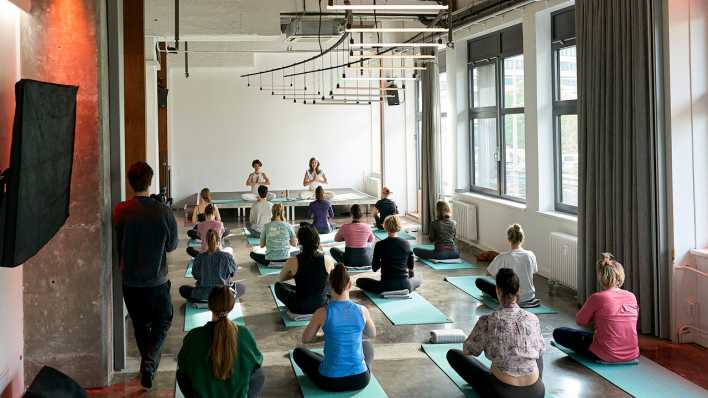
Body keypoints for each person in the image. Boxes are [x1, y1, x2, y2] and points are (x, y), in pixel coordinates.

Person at [113, 161, 178, 389]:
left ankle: (148, 365)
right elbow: (172, 246)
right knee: (163, 319)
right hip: (156, 280)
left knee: (139, 325)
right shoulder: (163, 211)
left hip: (130, 281)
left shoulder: (121, 210)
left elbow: (117, 243)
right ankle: (149, 363)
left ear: (130, 183)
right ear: (150, 182)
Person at [447, 268, 545, 398]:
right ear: (518, 291)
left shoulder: (488, 320)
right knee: (536, 353)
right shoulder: (532, 318)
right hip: (536, 392)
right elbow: (541, 350)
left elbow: (468, 350)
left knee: (454, 355)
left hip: (502, 393)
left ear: (498, 291)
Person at [293, 264, 376, 392]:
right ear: (349, 285)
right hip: (360, 380)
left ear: (329, 285)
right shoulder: (362, 310)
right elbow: (371, 334)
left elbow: (306, 339)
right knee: (367, 345)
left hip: (331, 382)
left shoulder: (322, 312)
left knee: (299, 352)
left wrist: (326, 336)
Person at [177, 286, 264, 398]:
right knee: (259, 373)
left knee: (181, 374)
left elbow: (182, 366)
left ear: (209, 305)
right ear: (232, 307)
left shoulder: (193, 337)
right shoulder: (245, 334)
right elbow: (257, 362)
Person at [553, 253, 639, 363]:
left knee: (559, 332)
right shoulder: (632, 296)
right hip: (632, 354)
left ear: (601, 277)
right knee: (594, 335)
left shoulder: (598, 298)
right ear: (621, 276)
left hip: (606, 354)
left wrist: (594, 318)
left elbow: (580, 320)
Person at [275, 223, 335, 315]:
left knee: (278, 286)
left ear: (300, 241)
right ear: (317, 239)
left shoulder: (293, 261)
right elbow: (333, 283)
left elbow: (281, 279)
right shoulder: (327, 259)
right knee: (326, 285)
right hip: (322, 305)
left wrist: (294, 274)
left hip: (300, 307)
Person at [475, 224, 540, 308]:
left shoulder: (502, 257)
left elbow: (488, 274)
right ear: (522, 238)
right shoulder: (531, 255)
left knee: (479, 281)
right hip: (529, 297)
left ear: (508, 239)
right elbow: (533, 273)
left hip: (510, 298)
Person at [356, 215, 421, 294]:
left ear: (385, 226)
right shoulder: (406, 243)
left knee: (359, 281)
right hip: (405, 286)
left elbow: (374, 268)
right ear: (399, 226)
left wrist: (384, 260)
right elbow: (411, 266)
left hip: (385, 286)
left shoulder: (380, 245)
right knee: (418, 279)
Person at [179, 229, 245, 303]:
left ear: (206, 242)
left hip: (203, 294)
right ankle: (222, 300)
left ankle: (202, 300)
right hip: (223, 295)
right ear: (219, 242)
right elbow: (233, 273)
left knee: (183, 289)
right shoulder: (227, 256)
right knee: (242, 287)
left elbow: (195, 275)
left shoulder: (199, 257)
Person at [330, 204, 375, 268]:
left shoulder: (344, 227)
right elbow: (371, 240)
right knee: (371, 247)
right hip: (366, 261)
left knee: (333, 250)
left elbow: (336, 239)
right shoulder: (367, 226)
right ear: (361, 215)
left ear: (351, 214)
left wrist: (346, 237)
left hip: (349, 261)